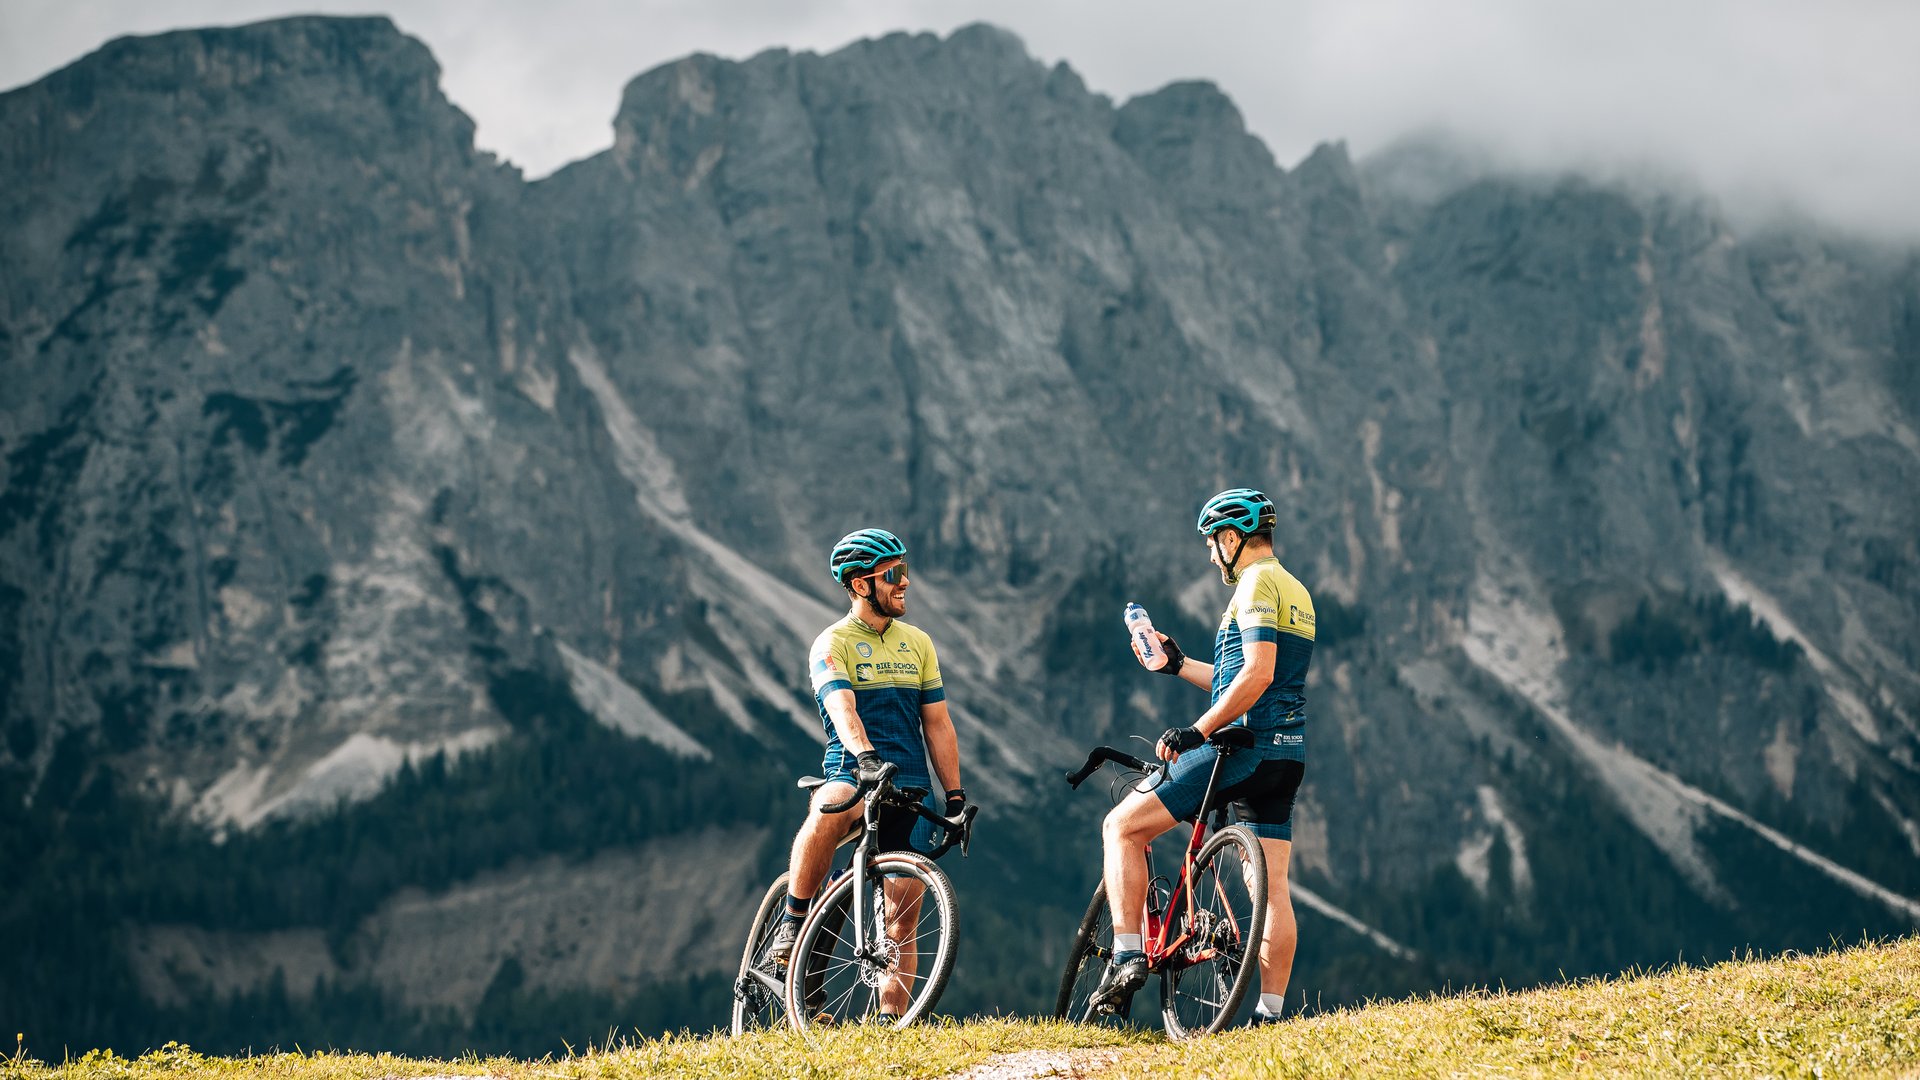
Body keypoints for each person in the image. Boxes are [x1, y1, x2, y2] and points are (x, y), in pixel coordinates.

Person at [1089, 487, 1313, 1025]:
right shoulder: (1295, 589)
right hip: (1286, 755)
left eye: (1214, 543)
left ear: (1233, 537)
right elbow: (1248, 679)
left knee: (1121, 827)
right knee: (1271, 887)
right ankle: (1270, 1012)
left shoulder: (1256, 583)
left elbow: (1255, 673)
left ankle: (1125, 959)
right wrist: (1178, 664)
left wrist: (1198, 729)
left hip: (1240, 749)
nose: (1213, 556)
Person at [764, 528, 966, 1021]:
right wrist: (865, 758)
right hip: (856, 769)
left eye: (905, 572)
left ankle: (890, 1023)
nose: (905, 584)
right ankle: (793, 922)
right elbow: (842, 707)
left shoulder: (917, 643)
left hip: (912, 782)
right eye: (893, 575)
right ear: (860, 585)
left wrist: (956, 796)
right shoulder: (833, 642)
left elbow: (937, 724)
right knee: (832, 805)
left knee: (903, 918)